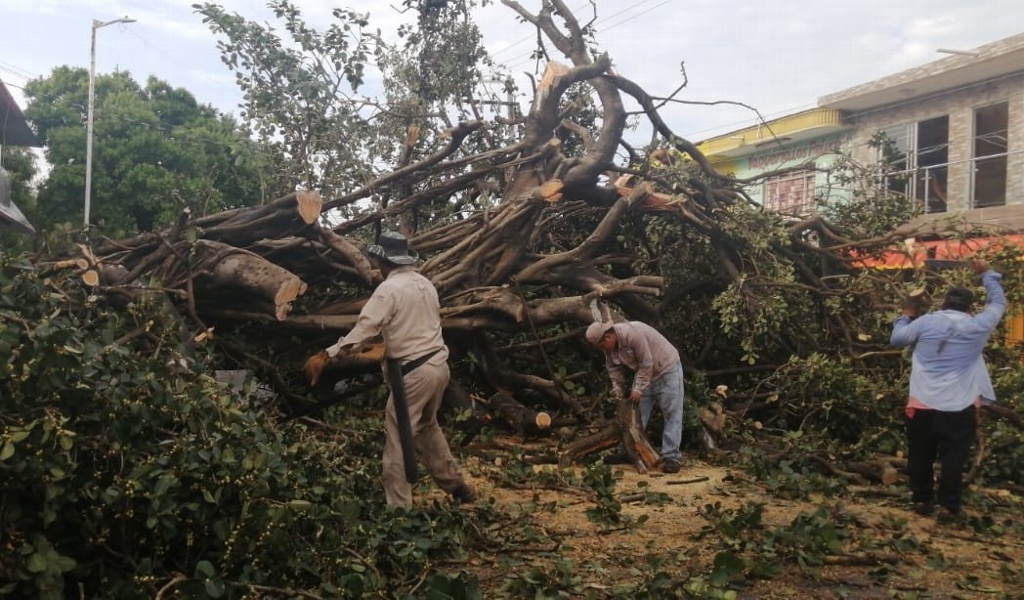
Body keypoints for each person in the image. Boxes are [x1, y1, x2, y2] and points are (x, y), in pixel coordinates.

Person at [324, 231, 475, 508]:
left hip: (414, 373)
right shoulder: (425, 284)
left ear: (382, 261)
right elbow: (410, 325)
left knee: (397, 439)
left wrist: (330, 354)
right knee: (427, 427)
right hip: (438, 366)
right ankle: (458, 487)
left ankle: (398, 512)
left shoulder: (388, 289)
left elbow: (364, 330)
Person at [890, 260, 1006, 522]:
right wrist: (988, 275)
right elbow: (998, 304)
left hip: (922, 403)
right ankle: (948, 506)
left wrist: (907, 314)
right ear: (970, 307)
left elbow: (897, 339)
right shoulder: (979, 325)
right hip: (959, 405)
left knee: (920, 453)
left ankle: (921, 500)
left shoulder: (926, 322)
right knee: (954, 456)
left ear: (944, 303)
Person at [586, 320, 685, 473]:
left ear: (607, 337)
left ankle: (671, 456)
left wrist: (638, 389)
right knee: (635, 413)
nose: (602, 350)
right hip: (645, 373)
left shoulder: (632, 334)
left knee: (672, 413)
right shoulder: (608, 350)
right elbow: (614, 371)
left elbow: (647, 362)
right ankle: (631, 451)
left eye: (601, 345)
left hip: (666, 369)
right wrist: (619, 393)